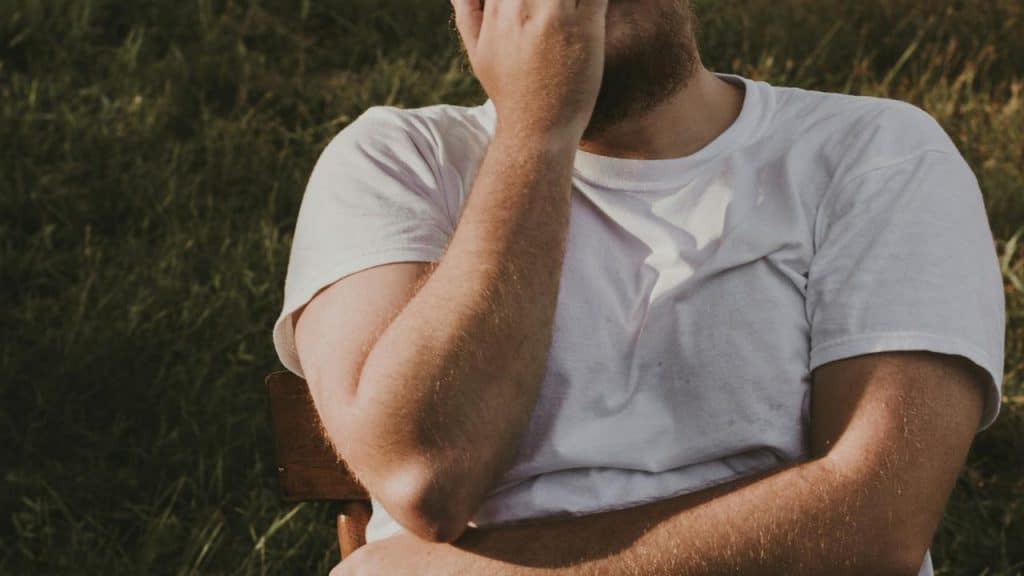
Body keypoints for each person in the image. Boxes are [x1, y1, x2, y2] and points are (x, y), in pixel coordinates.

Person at [272, 1, 1006, 574]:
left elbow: (876, 522)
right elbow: (428, 472)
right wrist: (537, 130)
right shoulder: (397, 162)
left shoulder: (876, 153)